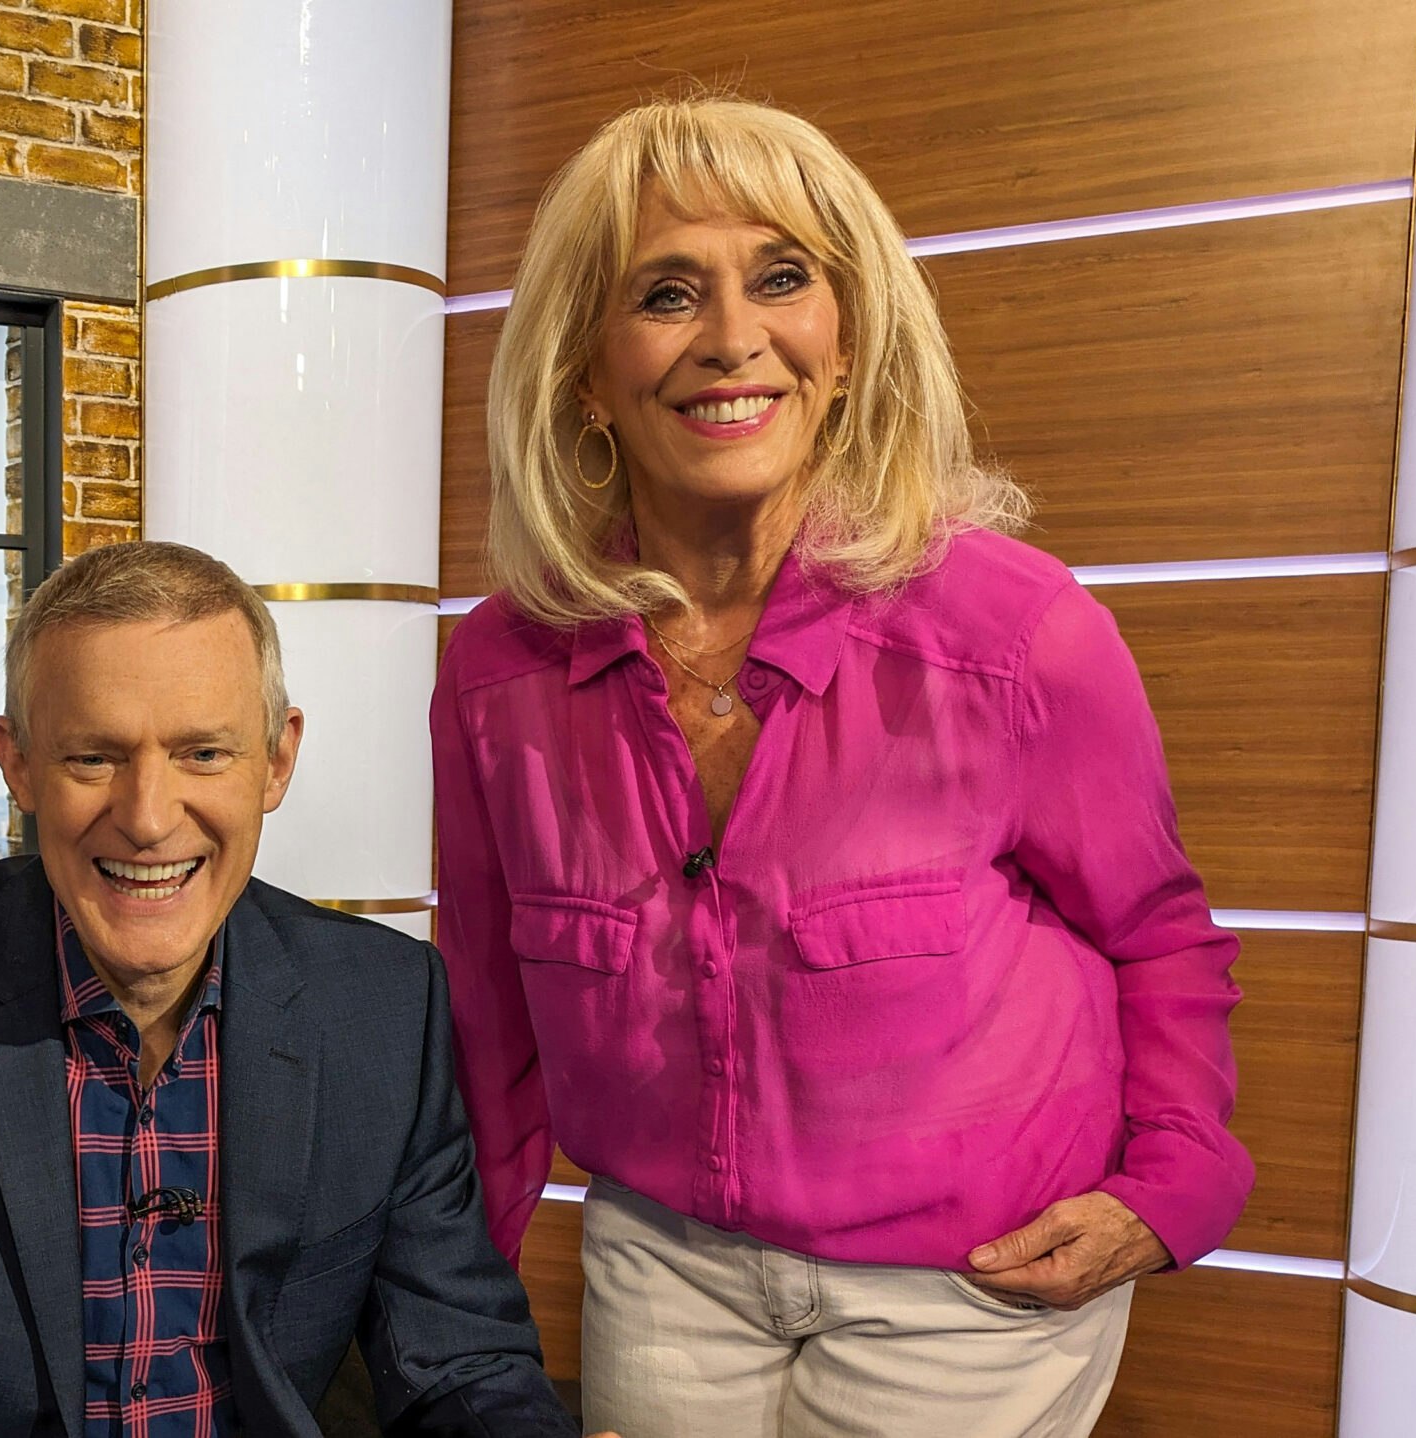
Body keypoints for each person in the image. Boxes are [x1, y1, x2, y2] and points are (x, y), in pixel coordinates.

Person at [433, 97, 1254, 1438]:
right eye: (664, 293)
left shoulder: (1021, 631)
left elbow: (1158, 938)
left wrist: (1166, 1189)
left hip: (973, 1286)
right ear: (585, 365)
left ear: (847, 337)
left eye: (781, 277)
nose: (731, 337)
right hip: (667, 1269)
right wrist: (462, 1285)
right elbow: (489, 1007)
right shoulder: (496, 673)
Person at [0, 541, 587, 1438]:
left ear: (276, 760)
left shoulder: (385, 1009)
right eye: (93, 759)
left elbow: (461, 1366)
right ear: (19, 764)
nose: (149, 818)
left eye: (203, 753)